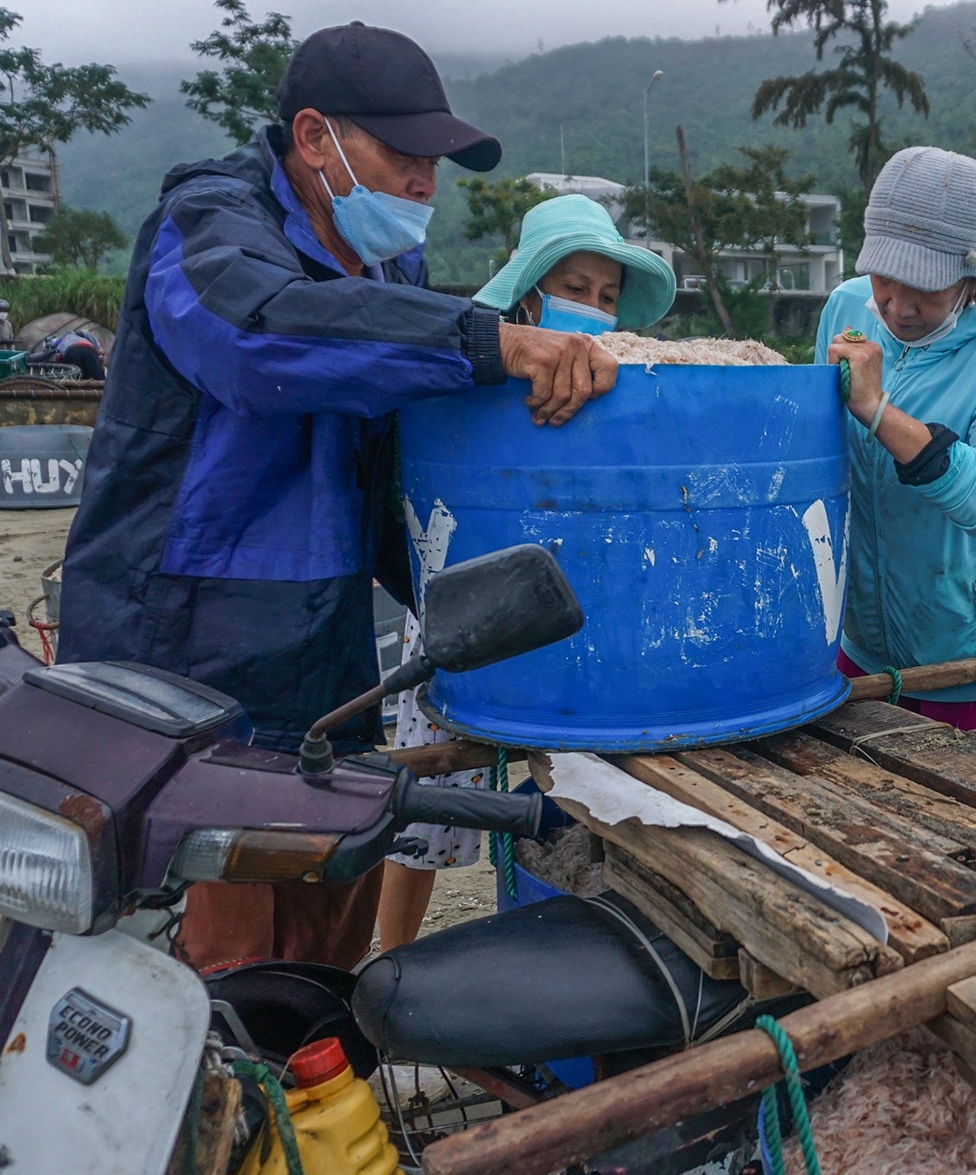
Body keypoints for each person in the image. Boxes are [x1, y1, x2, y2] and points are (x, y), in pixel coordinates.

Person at [58, 22, 617, 972]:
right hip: (184, 655)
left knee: (321, 958)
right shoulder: (208, 226)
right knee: (210, 971)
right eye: (404, 156)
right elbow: (259, 337)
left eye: (435, 165)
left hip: (324, 650)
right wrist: (494, 343)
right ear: (315, 139)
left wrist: (495, 617)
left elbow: (394, 465)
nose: (423, 186)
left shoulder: (389, 268)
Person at [376, 193, 675, 950]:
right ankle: (396, 959)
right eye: (575, 290)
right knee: (427, 811)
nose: (593, 309)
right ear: (530, 293)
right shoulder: (461, 377)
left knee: (571, 792)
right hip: (468, 609)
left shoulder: (616, 385)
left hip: (567, 616)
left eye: (607, 297)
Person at [816, 146, 976, 730]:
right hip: (866, 641)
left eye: (923, 286)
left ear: (973, 276)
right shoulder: (847, 308)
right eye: (884, 278)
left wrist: (878, 411)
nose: (897, 306)